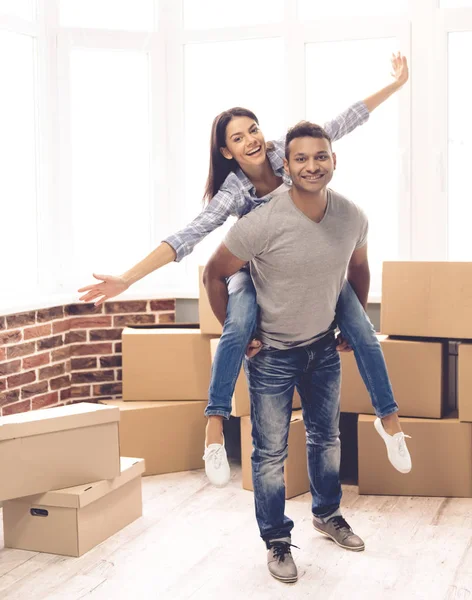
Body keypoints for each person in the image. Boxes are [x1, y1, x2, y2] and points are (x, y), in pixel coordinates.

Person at [78, 53, 411, 486]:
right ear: (227, 151)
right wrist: (127, 278)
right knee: (236, 328)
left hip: (311, 269)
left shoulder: (286, 156)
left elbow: (345, 120)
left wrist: (396, 85)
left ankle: (391, 422)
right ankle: (215, 425)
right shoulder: (233, 192)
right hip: (253, 272)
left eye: (253, 129)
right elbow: (186, 238)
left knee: (363, 329)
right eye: (238, 137)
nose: (251, 140)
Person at [203, 121, 376, 582]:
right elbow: (213, 274)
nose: (312, 165)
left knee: (326, 439)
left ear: (334, 160)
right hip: (273, 355)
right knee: (270, 455)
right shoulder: (260, 221)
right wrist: (238, 332)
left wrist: (347, 321)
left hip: (321, 349)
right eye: (301, 158)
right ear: (286, 165)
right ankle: (277, 540)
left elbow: (358, 269)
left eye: (321, 156)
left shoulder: (351, 216)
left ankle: (328, 514)